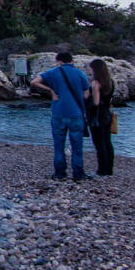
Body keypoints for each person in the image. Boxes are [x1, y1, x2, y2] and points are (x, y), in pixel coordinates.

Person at [31, 52, 92, 181]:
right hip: (76, 113)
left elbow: (34, 82)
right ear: (72, 61)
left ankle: (59, 172)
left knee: (59, 145)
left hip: (58, 113)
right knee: (77, 146)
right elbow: (86, 94)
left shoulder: (54, 72)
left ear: (59, 61)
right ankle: (78, 173)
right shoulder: (80, 74)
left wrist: (51, 90)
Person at [87, 58, 115, 176]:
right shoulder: (110, 82)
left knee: (99, 143)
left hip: (97, 117)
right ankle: (109, 169)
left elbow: (96, 102)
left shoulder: (96, 83)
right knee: (107, 142)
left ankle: (101, 170)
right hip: (107, 114)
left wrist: (87, 103)